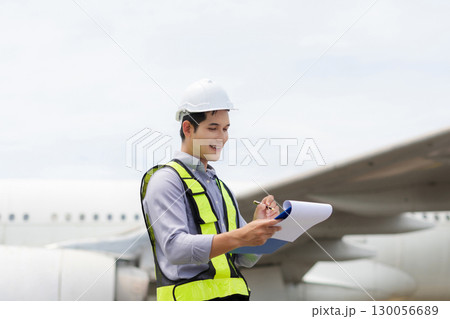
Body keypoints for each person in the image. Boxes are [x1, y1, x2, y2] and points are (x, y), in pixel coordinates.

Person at [140, 79, 281, 301]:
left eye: (225, 129)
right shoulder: (166, 180)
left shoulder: (220, 188)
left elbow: (244, 259)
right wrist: (240, 235)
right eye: (213, 128)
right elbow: (175, 248)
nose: (222, 137)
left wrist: (257, 230)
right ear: (188, 128)